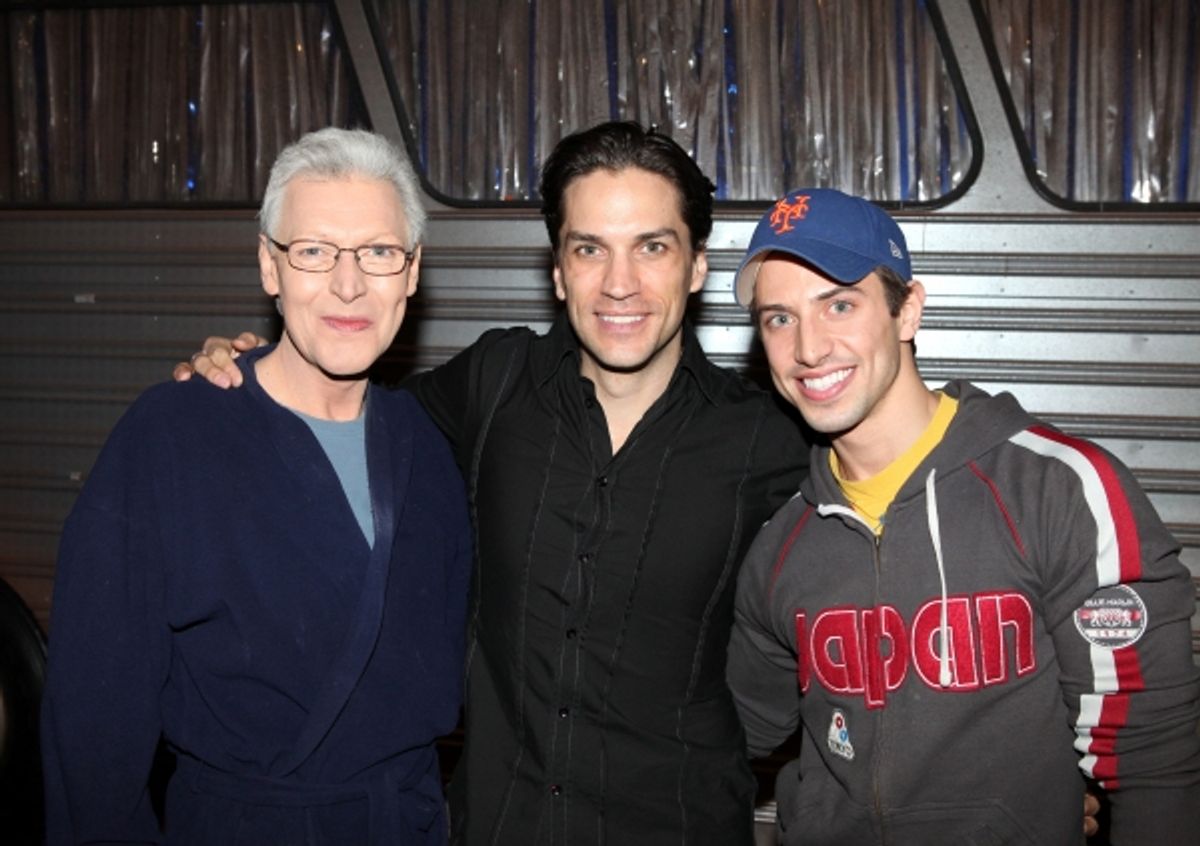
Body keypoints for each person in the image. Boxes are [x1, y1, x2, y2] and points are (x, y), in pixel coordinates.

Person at [177, 121, 810, 844]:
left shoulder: (769, 438)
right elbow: (336, 412)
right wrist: (241, 366)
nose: (620, 282)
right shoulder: (495, 383)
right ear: (558, 270)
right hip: (498, 824)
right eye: (589, 249)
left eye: (652, 247)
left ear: (697, 265)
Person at [725, 187, 1200, 844]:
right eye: (779, 318)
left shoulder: (1056, 491)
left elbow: (1155, 763)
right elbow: (724, 737)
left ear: (907, 311)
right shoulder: (784, 544)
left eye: (838, 304)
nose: (809, 347)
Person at [41, 128, 472, 844]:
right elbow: (92, 716)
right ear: (269, 267)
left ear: (413, 271)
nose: (348, 283)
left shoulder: (425, 443)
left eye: (379, 253)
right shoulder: (170, 435)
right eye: (313, 251)